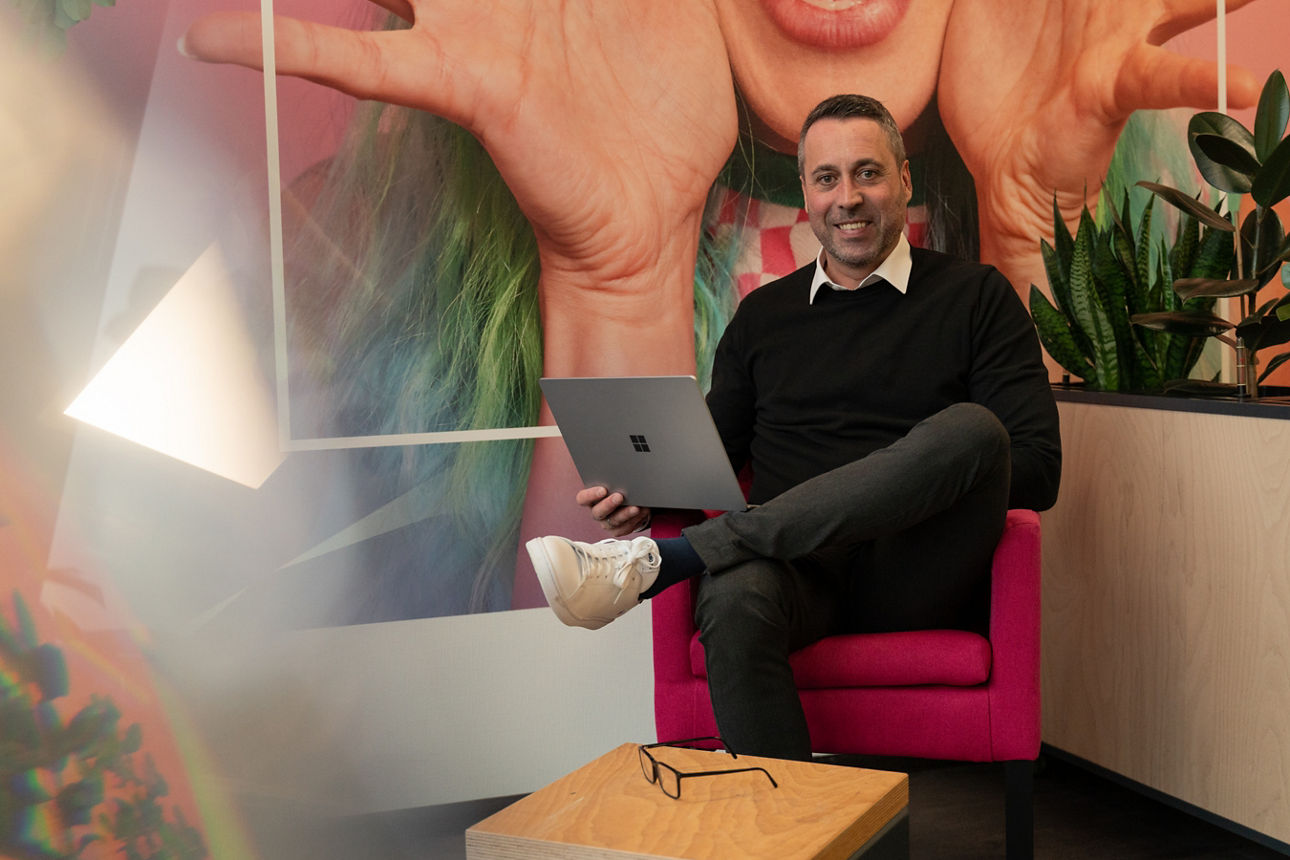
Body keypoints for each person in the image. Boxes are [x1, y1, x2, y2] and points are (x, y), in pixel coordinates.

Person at [525, 94, 1061, 761]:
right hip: (795, 574)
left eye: (868, 173)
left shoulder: (977, 297)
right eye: (827, 178)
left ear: (904, 180)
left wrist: (913, 482)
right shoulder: (763, 317)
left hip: (918, 574)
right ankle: (790, 836)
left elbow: (1039, 469)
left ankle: (672, 561)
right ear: (806, 192)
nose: (849, 198)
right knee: (734, 597)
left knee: (977, 432)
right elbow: (710, 455)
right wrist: (641, 492)